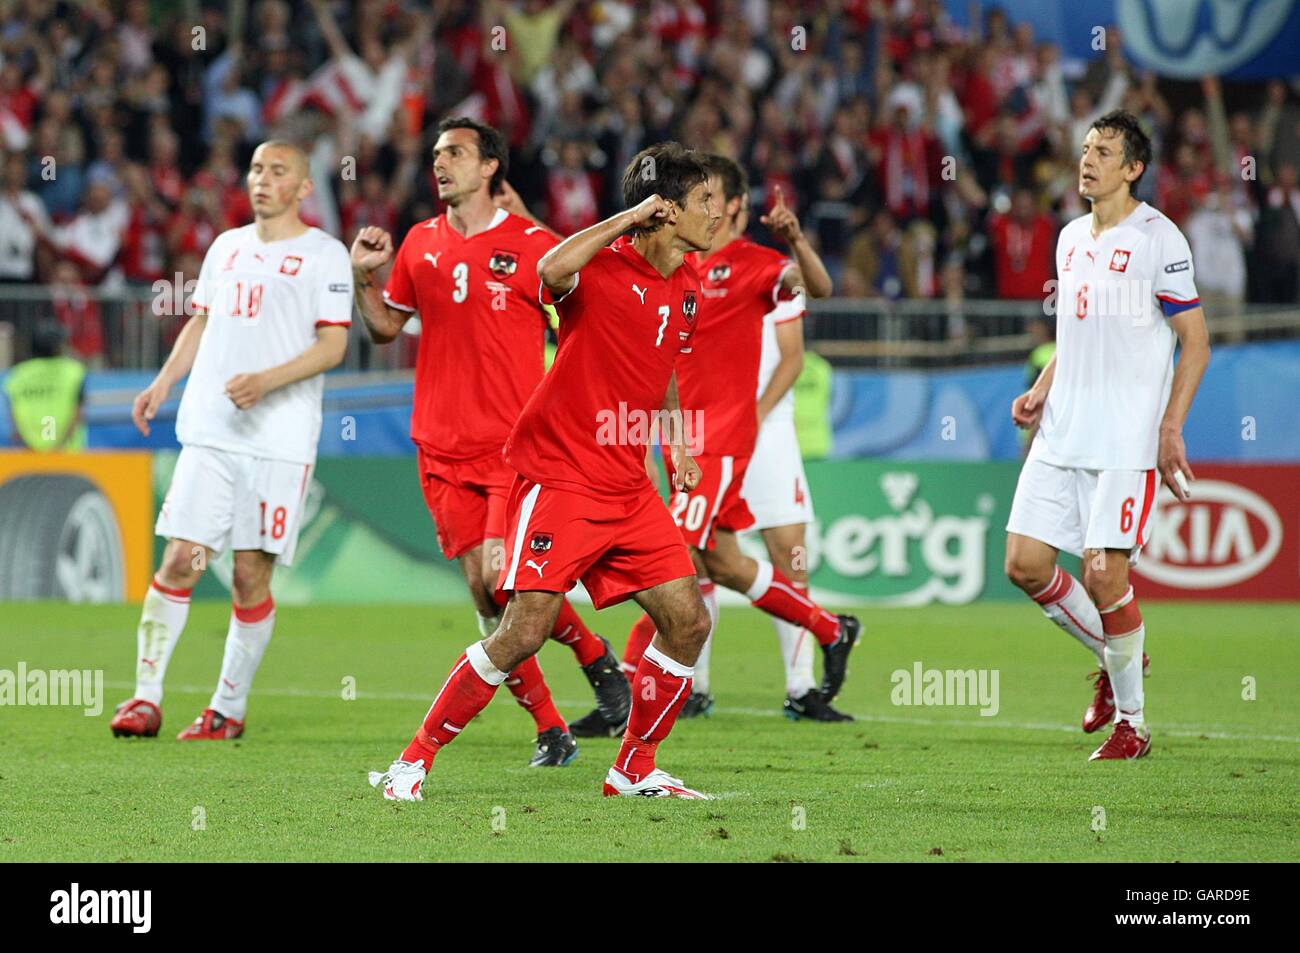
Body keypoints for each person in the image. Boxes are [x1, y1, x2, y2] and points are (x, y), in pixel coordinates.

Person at [369, 142, 719, 801]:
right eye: (704, 201)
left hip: (628, 485)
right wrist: (627, 218)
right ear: (665, 210)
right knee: (524, 628)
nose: (718, 213)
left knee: (689, 619)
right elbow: (551, 270)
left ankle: (633, 768)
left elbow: (662, 363)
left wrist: (678, 446)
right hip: (562, 475)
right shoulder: (602, 267)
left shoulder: (687, 286)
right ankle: (411, 762)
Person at [350, 117, 629, 768]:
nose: (440, 163)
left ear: (490, 169)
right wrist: (365, 275)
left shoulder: (533, 243)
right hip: (439, 447)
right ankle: (554, 726)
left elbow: (587, 309)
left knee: (503, 582)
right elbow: (387, 328)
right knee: (484, 594)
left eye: (456, 153)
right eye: (437, 153)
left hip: (514, 446)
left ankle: (594, 659)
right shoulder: (419, 243)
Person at [592, 155, 860, 731]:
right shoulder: (677, 271)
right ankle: (831, 629)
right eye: (697, 199)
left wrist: (796, 241)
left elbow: (818, 287)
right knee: (723, 561)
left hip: (727, 439)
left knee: (673, 557)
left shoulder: (756, 266)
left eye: (711, 198)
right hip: (684, 440)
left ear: (734, 206)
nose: (706, 210)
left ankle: (624, 688)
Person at [109, 140, 352, 741]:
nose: (262, 179)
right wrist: (162, 382)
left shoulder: (324, 255)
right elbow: (203, 320)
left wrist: (266, 382)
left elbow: (333, 346)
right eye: (255, 169)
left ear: (303, 188)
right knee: (179, 560)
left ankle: (227, 708)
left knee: (249, 577)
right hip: (211, 434)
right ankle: (144, 698)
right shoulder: (228, 247)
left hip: (279, 442)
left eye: (278, 171)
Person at [1004, 111, 1210, 761]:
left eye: (1104, 152)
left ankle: (1133, 725)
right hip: (1062, 431)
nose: (1088, 159)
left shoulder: (1160, 239)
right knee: (1025, 563)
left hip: (1124, 439)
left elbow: (1196, 343)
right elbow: (1075, 333)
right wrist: (1043, 387)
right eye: (1086, 148)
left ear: (1133, 169)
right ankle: (1118, 650)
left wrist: (1170, 424)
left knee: (1101, 573)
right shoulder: (1069, 238)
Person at [4, 321, 85, 451]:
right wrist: (58, 446)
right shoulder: (73, 372)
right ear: (56, 347)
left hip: (29, 453)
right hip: (66, 453)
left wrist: (29, 444)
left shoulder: (17, 374)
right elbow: (78, 413)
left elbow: (13, 415)